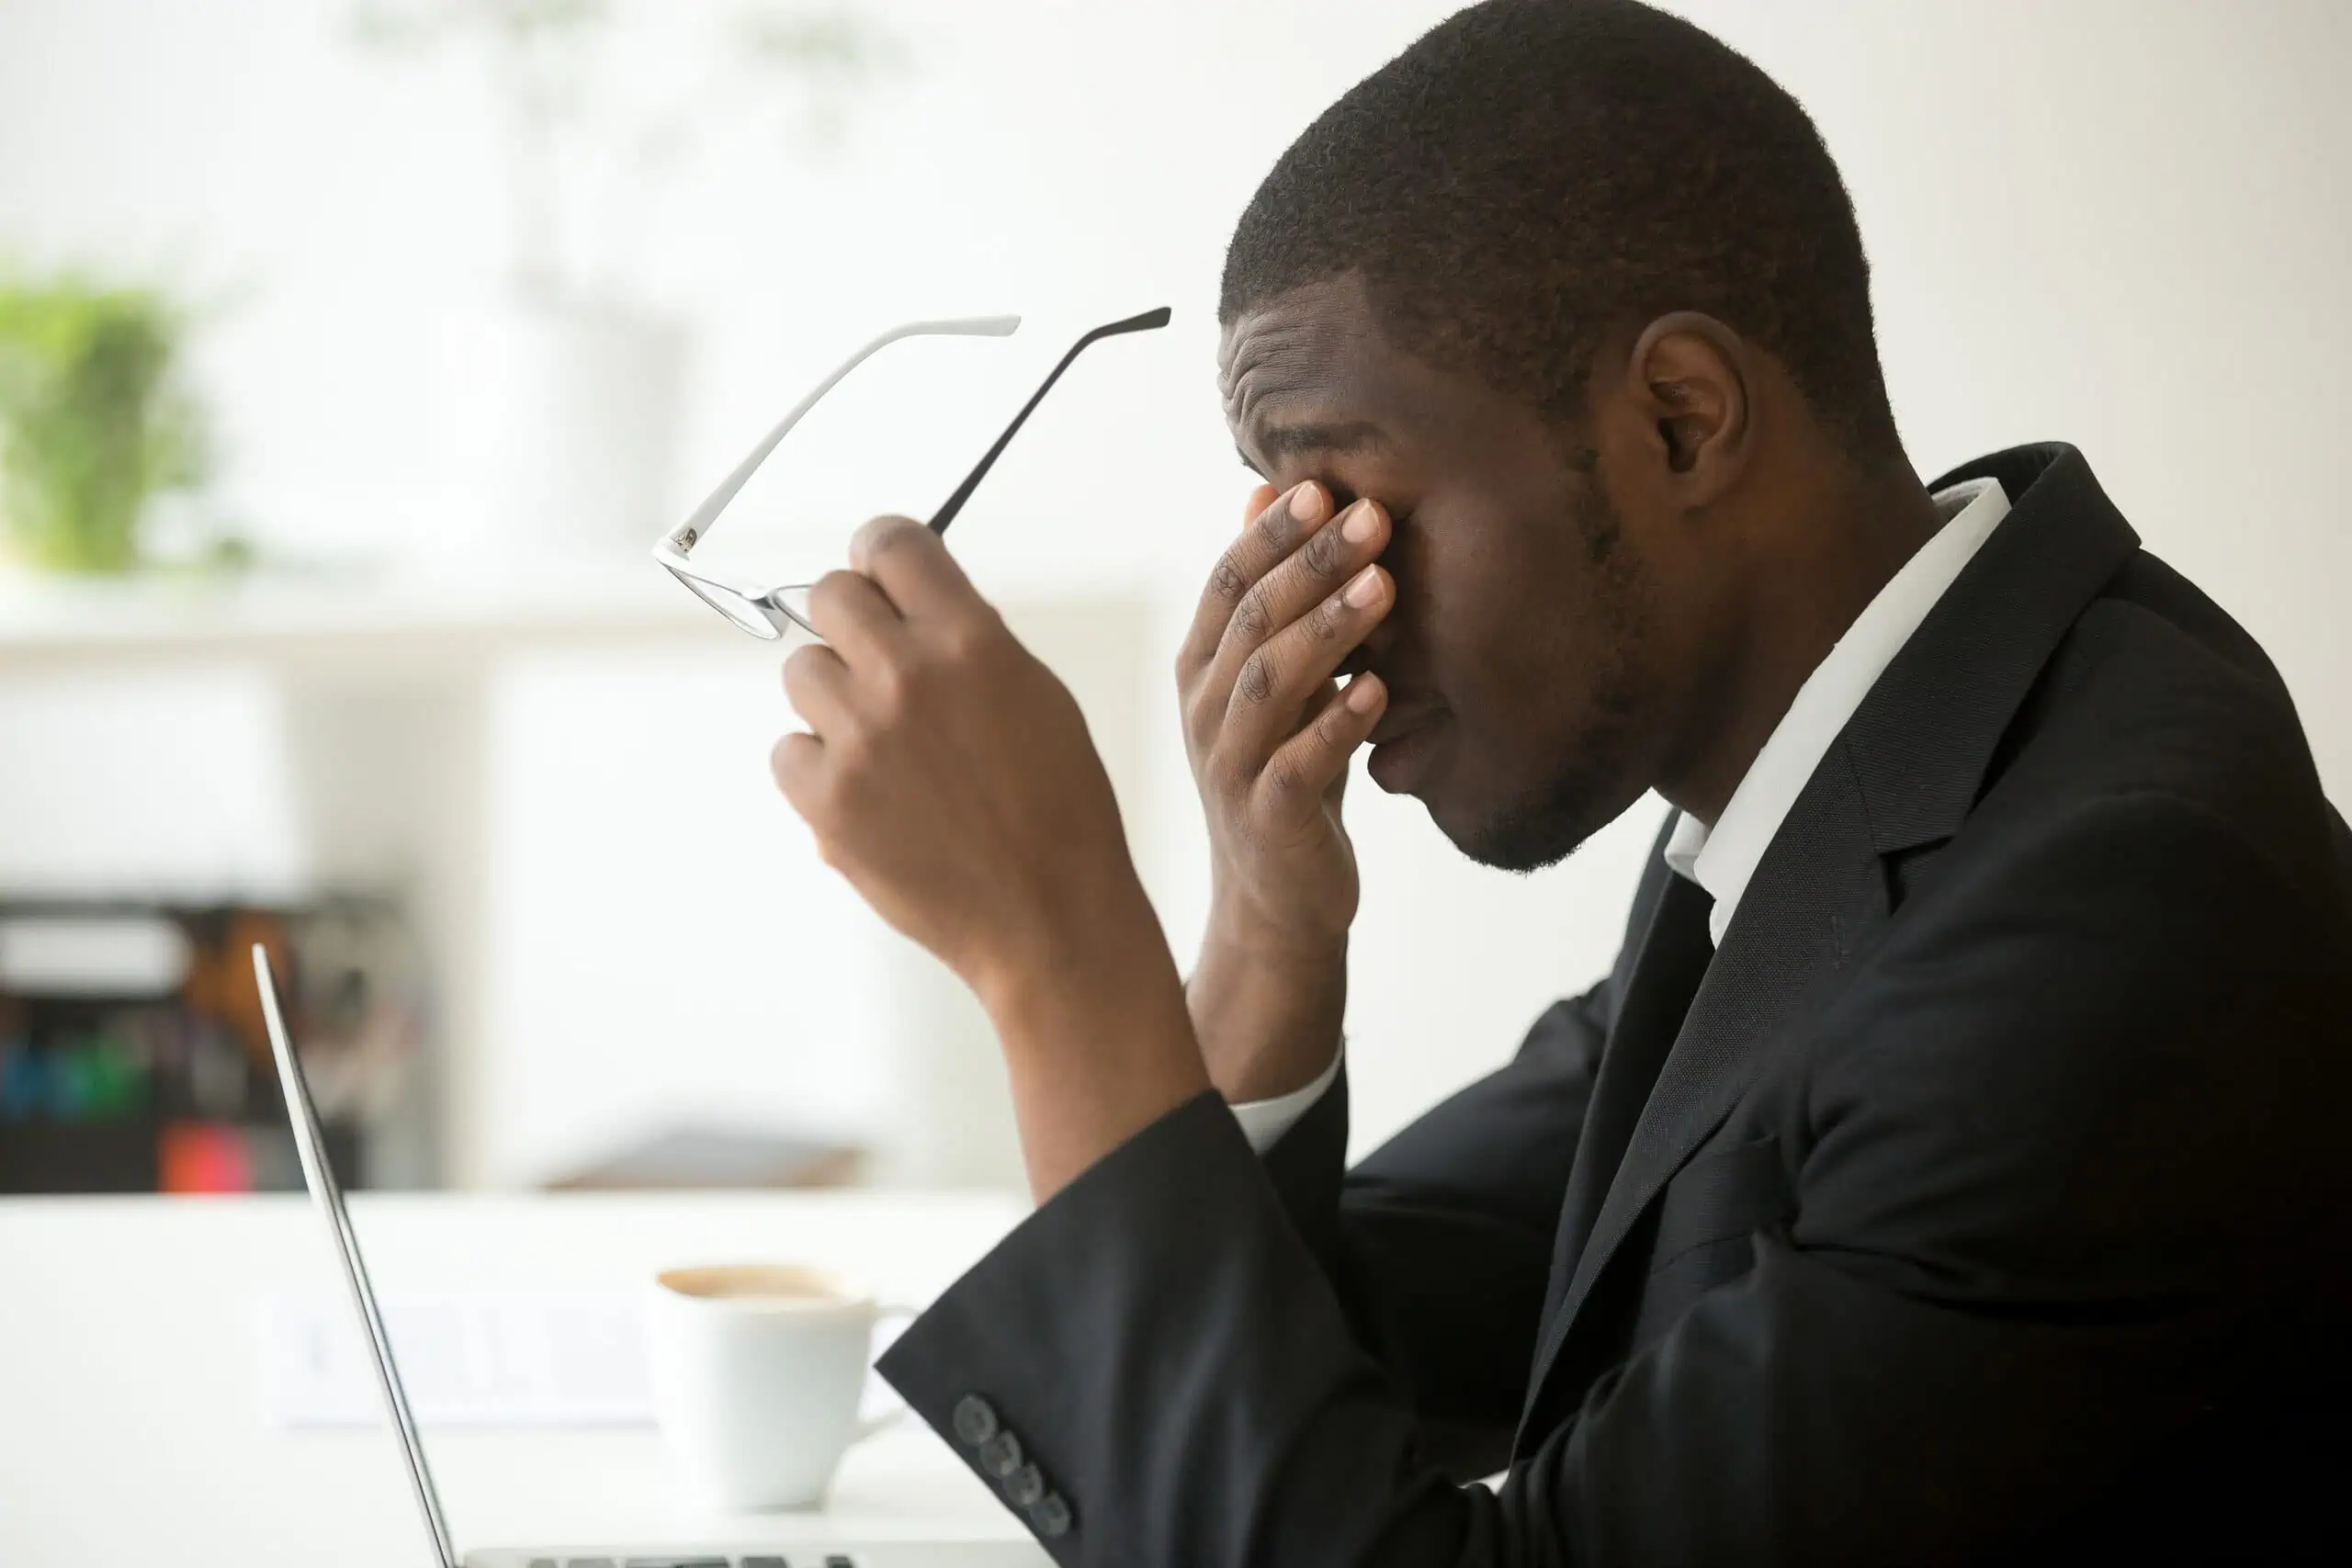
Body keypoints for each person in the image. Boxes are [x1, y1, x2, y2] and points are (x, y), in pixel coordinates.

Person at [764, 1, 2352, 1562]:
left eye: (1357, 503)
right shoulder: (1857, 778)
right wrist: (1261, 932)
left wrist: (1057, 955)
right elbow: (1350, 1359)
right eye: (1288, 525)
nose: (1321, 618)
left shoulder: (2111, 921)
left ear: (1679, 419)